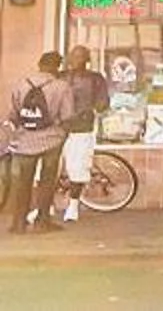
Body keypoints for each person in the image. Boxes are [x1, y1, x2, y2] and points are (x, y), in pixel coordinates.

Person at [1, 50, 72, 232]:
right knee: (47, 181)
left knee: (23, 182)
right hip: (51, 140)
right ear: (57, 67)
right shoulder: (62, 86)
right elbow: (67, 116)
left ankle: (19, 222)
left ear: (39, 64)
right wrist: (63, 134)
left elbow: (14, 114)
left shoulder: (22, 84)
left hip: (25, 140)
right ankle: (42, 221)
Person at [52, 48, 107, 224]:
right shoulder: (59, 77)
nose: (76, 60)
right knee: (47, 168)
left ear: (87, 59)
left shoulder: (95, 78)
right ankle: (44, 206)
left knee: (78, 168)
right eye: (73, 56)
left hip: (81, 129)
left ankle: (73, 205)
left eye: (80, 56)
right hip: (57, 128)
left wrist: (90, 110)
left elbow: (103, 103)